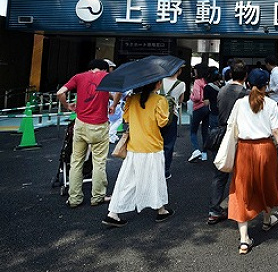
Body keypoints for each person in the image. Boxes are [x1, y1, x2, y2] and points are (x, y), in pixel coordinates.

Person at [227, 68, 278, 255]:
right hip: (265, 149)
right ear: (267, 85)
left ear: (247, 83)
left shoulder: (239, 103)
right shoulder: (270, 104)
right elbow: (277, 131)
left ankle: (244, 239)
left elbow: (232, 126)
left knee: (242, 189)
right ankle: (266, 220)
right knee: (266, 185)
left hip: (244, 149)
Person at [102, 80, 173, 227]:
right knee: (156, 178)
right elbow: (162, 123)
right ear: (158, 84)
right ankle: (160, 209)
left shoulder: (131, 99)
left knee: (126, 180)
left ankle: (113, 213)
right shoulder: (161, 100)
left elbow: (126, 118)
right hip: (153, 145)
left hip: (134, 146)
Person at [56, 59, 119, 208]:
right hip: (99, 125)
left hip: (81, 125)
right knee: (99, 162)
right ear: (104, 69)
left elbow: (60, 92)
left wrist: (67, 105)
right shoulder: (107, 78)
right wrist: (114, 105)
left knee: (76, 161)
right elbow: (118, 92)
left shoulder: (79, 77)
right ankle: (97, 197)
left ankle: (75, 198)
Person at [207, 61, 249, 225]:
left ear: (230, 74)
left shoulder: (222, 90)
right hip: (239, 135)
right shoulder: (245, 94)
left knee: (219, 173)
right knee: (241, 173)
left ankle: (214, 210)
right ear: (245, 76)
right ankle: (241, 207)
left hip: (221, 133)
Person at [160, 67, 185, 179]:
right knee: (169, 144)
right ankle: (165, 171)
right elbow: (180, 100)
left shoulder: (160, 81)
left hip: (158, 116)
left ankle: (155, 169)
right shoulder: (181, 84)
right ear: (179, 71)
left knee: (156, 143)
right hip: (172, 116)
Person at [188, 66, 210, 162]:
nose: (194, 73)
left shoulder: (197, 81)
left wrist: (191, 96)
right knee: (205, 131)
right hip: (207, 108)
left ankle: (196, 150)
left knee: (193, 131)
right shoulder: (207, 81)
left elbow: (196, 97)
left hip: (198, 108)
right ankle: (204, 154)